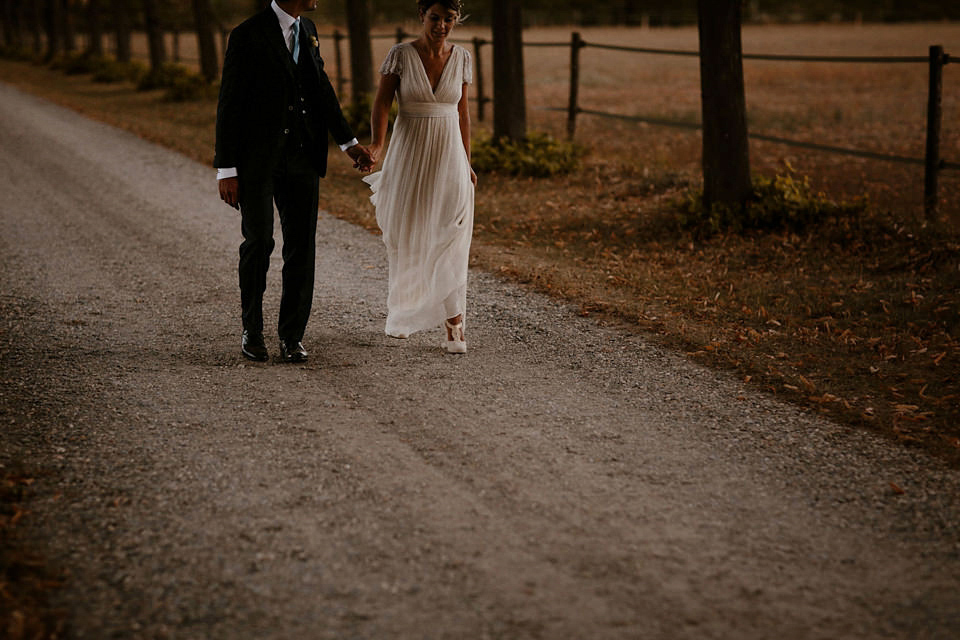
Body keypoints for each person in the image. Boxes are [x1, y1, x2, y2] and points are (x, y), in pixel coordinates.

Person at [215, 0, 374, 363]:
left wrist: (349, 143)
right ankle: (251, 331)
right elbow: (230, 102)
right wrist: (226, 169)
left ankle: (291, 336)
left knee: (302, 247)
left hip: (303, 157)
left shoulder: (308, 30)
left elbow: (321, 90)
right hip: (257, 161)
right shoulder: (247, 35)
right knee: (259, 241)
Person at [364, 0, 477, 354]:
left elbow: (463, 114)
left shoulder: (462, 58)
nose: (441, 25)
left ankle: (454, 321)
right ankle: (406, 310)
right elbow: (382, 103)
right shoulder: (401, 55)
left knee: (451, 235)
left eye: (449, 19)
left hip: (450, 155)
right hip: (410, 151)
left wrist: (468, 163)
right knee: (408, 232)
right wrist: (378, 145)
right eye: (435, 18)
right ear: (422, 17)